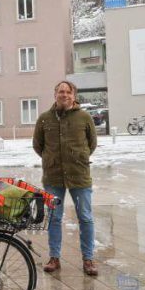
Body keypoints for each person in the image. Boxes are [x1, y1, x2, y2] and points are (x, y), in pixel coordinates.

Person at [33, 80, 98, 276]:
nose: (64, 95)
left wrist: (79, 157)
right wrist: (51, 158)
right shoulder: (44, 119)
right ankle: (54, 258)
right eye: (61, 92)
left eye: (68, 92)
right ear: (55, 95)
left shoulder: (84, 117)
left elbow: (92, 144)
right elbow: (38, 145)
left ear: (74, 95)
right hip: (53, 176)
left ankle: (88, 259)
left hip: (79, 175)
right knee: (54, 217)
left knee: (85, 217)